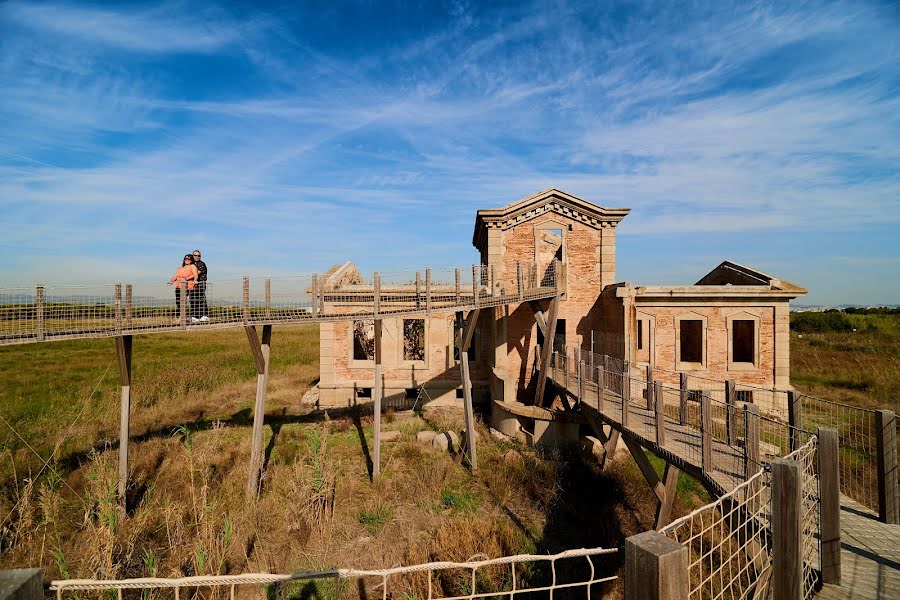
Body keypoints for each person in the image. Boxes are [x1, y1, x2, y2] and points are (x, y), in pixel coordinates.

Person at [168, 254, 199, 322]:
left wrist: (194, 280)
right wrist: (171, 281)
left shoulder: (192, 266)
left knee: (183, 302)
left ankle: (181, 318)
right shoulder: (181, 268)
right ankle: (182, 317)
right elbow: (175, 275)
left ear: (191, 260)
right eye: (185, 259)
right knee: (178, 302)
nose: (187, 260)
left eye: (189, 259)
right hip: (179, 286)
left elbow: (195, 274)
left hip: (187, 286)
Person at [192, 249, 209, 322]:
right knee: (193, 300)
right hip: (192, 286)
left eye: (199, 255)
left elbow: (197, 272)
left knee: (201, 300)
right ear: (192, 256)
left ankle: (204, 316)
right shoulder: (191, 264)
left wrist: (185, 277)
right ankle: (196, 316)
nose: (197, 257)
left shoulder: (201, 264)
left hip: (200, 285)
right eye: (195, 255)